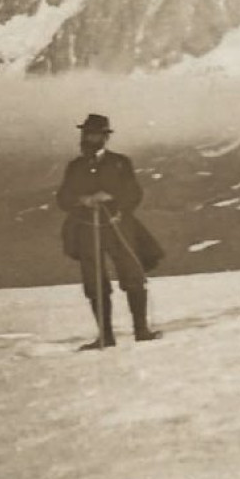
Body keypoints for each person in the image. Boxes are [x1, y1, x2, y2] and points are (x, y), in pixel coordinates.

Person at [56, 113, 165, 350]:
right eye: (86, 134)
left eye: (94, 134)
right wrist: (81, 199)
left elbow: (134, 193)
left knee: (132, 275)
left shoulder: (120, 163)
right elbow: (62, 198)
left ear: (105, 137)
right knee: (94, 282)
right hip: (86, 229)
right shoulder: (75, 166)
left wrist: (114, 200)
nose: (88, 138)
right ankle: (105, 336)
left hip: (119, 226)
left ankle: (141, 330)